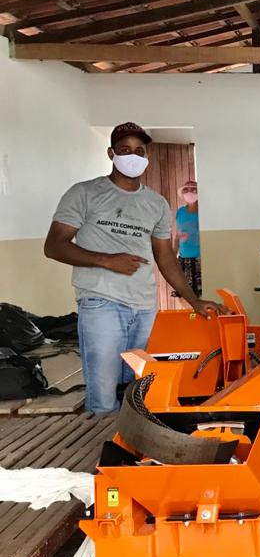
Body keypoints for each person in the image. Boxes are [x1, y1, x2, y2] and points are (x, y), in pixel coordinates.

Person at [44, 122, 224, 416]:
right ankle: (100, 442)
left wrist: (194, 300)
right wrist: (106, 260)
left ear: (146, 156)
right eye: (125, 150)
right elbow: (54, 246)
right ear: (111, 153)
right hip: (101, 302)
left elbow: (165, 257)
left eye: (139, 151)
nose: (133, 156)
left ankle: (128, 442)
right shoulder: (85, 193)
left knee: (137, 389)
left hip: (143, 306)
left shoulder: (156, 203)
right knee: (103, 394)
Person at [174, 179, 202, 296]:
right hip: (183, 258)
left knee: (200, 293)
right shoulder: (180, 211)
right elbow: (177, 235)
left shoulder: (203, 211)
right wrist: (173, 255)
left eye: (193, 189)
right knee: (185, 294)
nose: (190, 192)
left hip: (200, 258)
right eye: (186, 189)